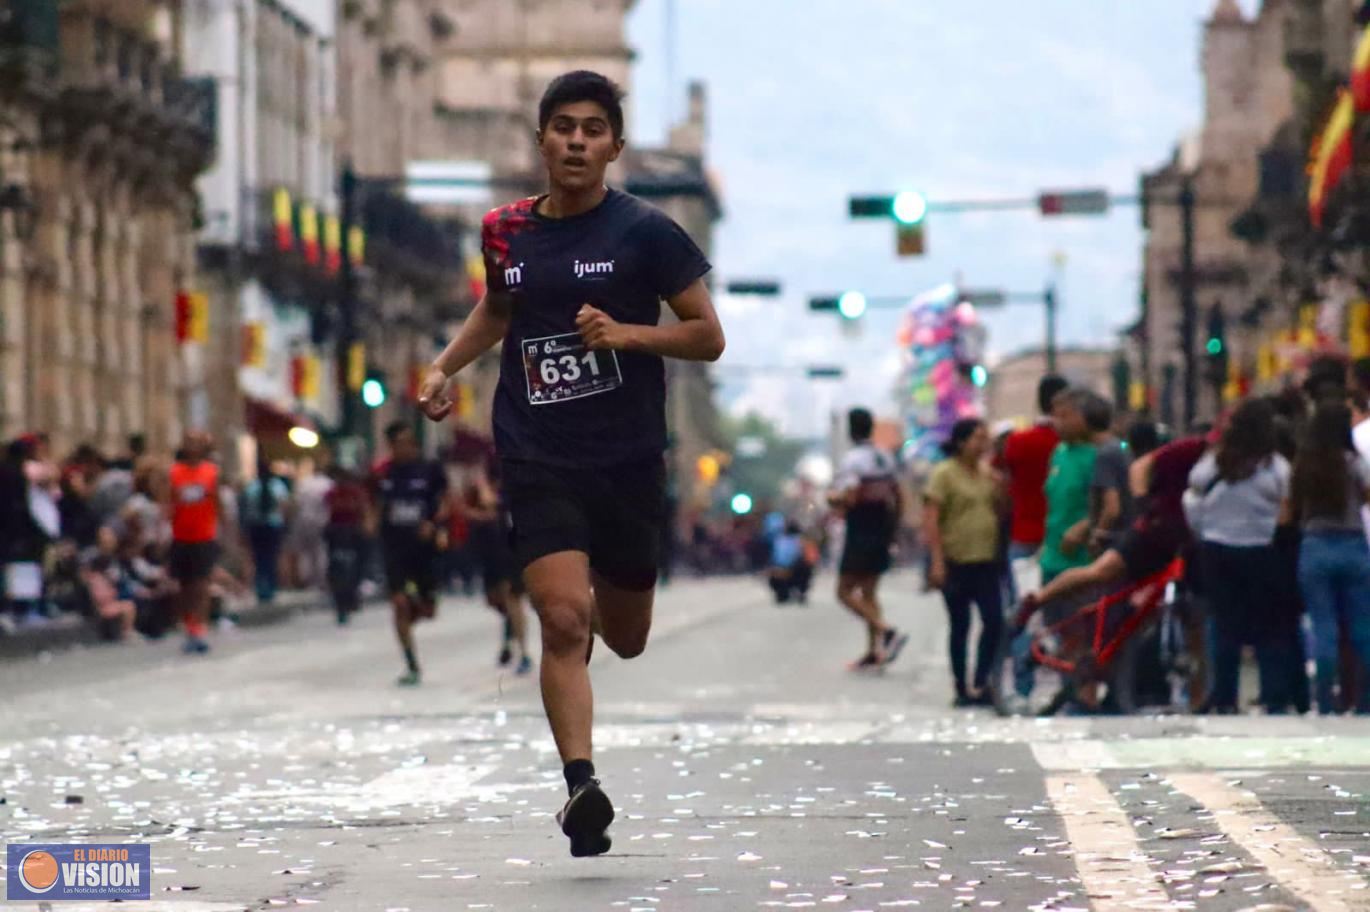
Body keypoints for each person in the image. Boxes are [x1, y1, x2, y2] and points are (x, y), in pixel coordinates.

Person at [415, 70, 725, 858]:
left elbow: (706, 335)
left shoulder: (649, 233)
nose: (577, 141)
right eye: (563, 127)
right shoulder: (506, 231)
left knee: (624, 636)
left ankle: (582, 641)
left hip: (625, 459)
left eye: (593, 129)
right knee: (560, 618)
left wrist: (628, 333)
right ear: (543, 140)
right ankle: (580, 786)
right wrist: (445, 367)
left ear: (614, 145)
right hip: (535, 451)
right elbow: (499, 306)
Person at [1184, 398, 1292, 713]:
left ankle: (1225, 696)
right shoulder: (1275, 466)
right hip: (1261, 550)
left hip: (1217, 550)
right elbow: (1286, 509)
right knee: (1269, 626)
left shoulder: (1216, 462)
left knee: (1223, 625)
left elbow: (1194, 489)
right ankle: (1273, 695)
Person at [1291, 400, 1370, 714]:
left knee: (1323, 627)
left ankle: (1325, 701)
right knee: (1362, 627)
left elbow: (1290, 507)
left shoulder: (1305, 464)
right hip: (1352, 546)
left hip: (1315, 545)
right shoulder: (1354, 462)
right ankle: (1364, 702)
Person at [924, 418, 1003, 707]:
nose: (983, 445)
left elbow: (1000, 509)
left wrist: (1000, 488)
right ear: (961, 442)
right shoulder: (944, 474)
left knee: (994, 621)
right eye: (977, 439)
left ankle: (982, 680)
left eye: (985, 439)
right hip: (956, 560)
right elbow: (932, 518)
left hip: (986, 559)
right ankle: (961, 687)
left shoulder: (987, 474)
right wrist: (936, 561)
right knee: (960, 625)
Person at [829, 407, 909, 670]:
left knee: (843, 592)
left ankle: (885, 630)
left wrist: (833, 498)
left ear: (851, 430)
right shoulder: (885, 458)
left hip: (860, 527)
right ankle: (873, 651)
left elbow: (850, 496)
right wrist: (894, 528)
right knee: (869, 592)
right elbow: (898, 495)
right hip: (882, 527)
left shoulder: (852, 460)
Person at [372, 421, 448, 686]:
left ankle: (419, 604)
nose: (403, 449)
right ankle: (411, 662)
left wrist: (435, 526)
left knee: (428, 609)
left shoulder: (430, 470)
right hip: (395, 547)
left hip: (424, 549)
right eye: (397, 444)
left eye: (407, 443)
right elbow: (374, 503)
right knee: (399, 604)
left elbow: (446, 501)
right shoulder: (384, 474)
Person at [998, 374, 1069, 599]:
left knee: (1023, 610)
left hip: (1024, 533)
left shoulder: (1017, 442)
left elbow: (1005, 487)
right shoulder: (1073, 445)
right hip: (1066, 539)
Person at [465, 460, 532, 674]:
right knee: (499, 600)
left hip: (517, 548)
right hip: (494, 548)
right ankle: (509, 637)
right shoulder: (494, 483)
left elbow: (490, 503)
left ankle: (523, 652)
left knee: (514, 598)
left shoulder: (518, 486)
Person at [1039, 388, 1099, 594]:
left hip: (1081, 564)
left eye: (1064, 416)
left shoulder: (1097, 455)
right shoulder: (1059, 453)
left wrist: (1083, 527)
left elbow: (1111, 506)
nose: (1057, 423)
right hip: (1051, 559)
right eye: (1054, 416)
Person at [167, 432, 219, 654]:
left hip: (204, 534)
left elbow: (217, 502)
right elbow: (168, 502)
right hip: (181, 535)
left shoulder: (211, 472)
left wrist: (222, 530)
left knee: (201, 584)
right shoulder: (174, 473)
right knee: (185, 585)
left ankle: (200, 628)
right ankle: (189, 625)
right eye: (189, 442)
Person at [1083, 394, 1131, 555]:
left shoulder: (1105, 454)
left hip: (1113, 542)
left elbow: (1112, 508)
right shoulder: (1120, 447)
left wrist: (1097, 536)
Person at [240, 455, 291, 605]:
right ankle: (264, 586)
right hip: (262, 525)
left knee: (266, 557)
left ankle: (266, 586)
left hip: (268, 525)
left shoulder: (255, 487)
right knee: (264, 557)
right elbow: (284, 505)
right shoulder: (270, 486)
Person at [324, 466, 371, 625]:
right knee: (341, 568)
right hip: (339, 533)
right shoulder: (334, 493)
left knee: (354, 566)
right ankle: (343, 601)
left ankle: (349, 599)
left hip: (350, 533)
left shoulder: (353, 493)